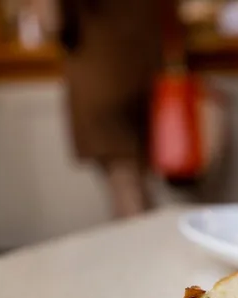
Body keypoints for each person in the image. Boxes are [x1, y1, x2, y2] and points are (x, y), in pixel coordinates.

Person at [49, 0, 163, 218]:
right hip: (142, 72)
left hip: (98, 74)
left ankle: (135, 250)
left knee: (124, 187)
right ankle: (145, 247)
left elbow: (51, 22)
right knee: (136, 182)